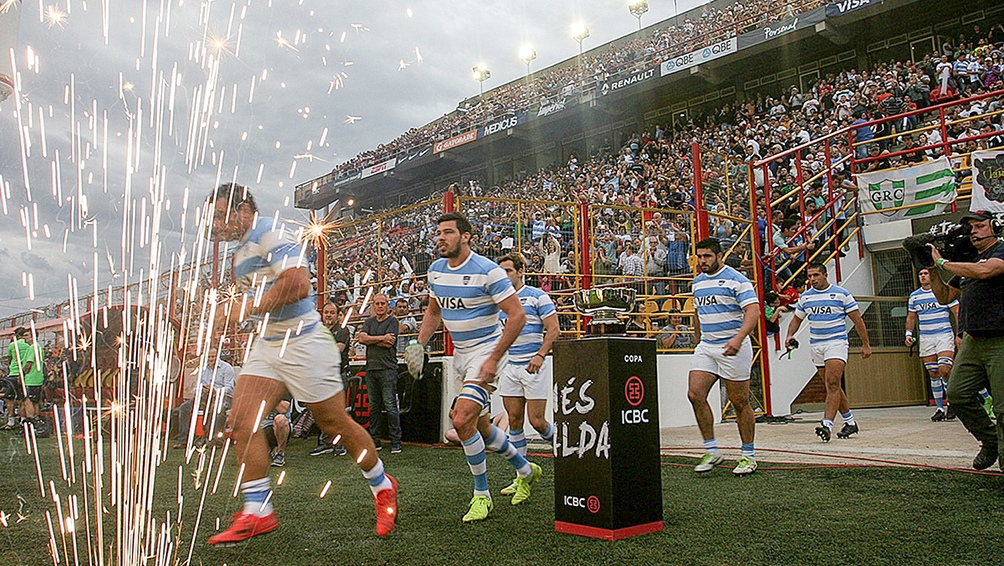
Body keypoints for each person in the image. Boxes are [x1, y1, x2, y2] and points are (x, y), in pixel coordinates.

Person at [205, 183, 396, 544]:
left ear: (243, 209)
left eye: (219, 214)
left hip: (306, 342)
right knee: (241, 420)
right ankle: (258, 509)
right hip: (270, 344)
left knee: (335, 423)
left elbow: (298, 285)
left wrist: (244, 308)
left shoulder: (271, 233)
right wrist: (231, 314)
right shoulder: (240, 252)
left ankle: (383, 485)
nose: (215, 224)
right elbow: (265, 301)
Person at [415, 212, 540, 523]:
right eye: (438, 233)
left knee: (461, 419)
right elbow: (434, 313)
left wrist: (494, 358)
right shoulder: (435, 271)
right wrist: (418, 344)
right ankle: (526, 469)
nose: (440, 238)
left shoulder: (489, 272)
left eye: (447, 232)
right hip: (461, 356)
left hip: (486, 352)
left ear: (466, 236)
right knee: (481, 428)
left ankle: (481, 495)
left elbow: (518, 316)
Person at [928, 210, 1004, 470]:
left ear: (995, 227)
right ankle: (990, 440)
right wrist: (929, 267)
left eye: (980, 226)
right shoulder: (970, 261)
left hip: (1000, 337)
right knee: (958, 395)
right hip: (973, 338)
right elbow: (945, 297)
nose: (974, 231)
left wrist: (942, 263)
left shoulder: (1000, 252)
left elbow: (986, 272)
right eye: (971, 227)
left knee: (1003, 407)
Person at [687, 238, 761, 476]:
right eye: (699, 257)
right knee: (695, 394)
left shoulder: (737, 279)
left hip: (733, 347)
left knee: (739, 401)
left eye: (707, 256)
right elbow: (698, 312)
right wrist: (698, 339)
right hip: (707, 347)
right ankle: (712, 450)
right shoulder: (698, 282)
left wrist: (738, 339)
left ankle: (748, 456)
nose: (702, 261)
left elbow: (753, 311)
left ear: (719, 256)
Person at [785, 262, 872, 442]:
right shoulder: (806, 298)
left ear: (825, 275)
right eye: (810, 277)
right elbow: (796, 319)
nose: (812, 280)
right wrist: (789, 335)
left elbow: (857, 321)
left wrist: (866, 345)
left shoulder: (842, 294)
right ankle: (850, 422)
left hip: (836, 343)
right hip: (816, 345)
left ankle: (827, 425)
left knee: (832, 383)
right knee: (833, 387)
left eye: (816, 275)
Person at [495, 253, 559, 497]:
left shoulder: (537, 296)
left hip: (534, 366)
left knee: (538, 422)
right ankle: (522, 476)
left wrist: (540, 355)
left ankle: (568, 452)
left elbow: (554, 329)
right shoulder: (500, 300)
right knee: (513, 421)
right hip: (511, 367)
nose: (504, 275)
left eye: (508, 271)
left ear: (521, 272)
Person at [906, 268, 962, 421]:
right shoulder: (915, 296)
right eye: (921, 274)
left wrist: (960, 334)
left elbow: (957, 312)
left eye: (926, 274)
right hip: (926, 337)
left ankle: (952, 403)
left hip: (943, 335)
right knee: (933, 372)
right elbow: (911, 317)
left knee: (945, 369)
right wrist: (908, 334)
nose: (923, 276)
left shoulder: (943, 291)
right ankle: (939, 408)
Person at [356, 294, 403, 454]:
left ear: (388, 305)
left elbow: (390, 342)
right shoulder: (369, 322)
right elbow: (361, 339)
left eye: (383, 303)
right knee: (374, 407)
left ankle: (396, 441)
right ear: (373, 305)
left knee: (390, 406)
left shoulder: (392, 321)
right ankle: (375, 440)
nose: (380, 306)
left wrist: (371, 339)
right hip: (371, 369)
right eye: (377, 303)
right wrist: (381, 338)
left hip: (387, 369)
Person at [175, 346, 235, 449]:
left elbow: (229, 388)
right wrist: (201, 390)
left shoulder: (227, 368)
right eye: (209, 357)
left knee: (219, 410)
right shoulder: (203, 369)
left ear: (218, 356)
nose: (211, 359)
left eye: (213, 356)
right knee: (184, 408)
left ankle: (216, 441)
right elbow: (196, 387)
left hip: (223, 396)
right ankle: (184, 440)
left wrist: (216, 391)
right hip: (205, 396)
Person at [311, 300, 349, 456]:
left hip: (338, 376)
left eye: (332, 313)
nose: (328, 315)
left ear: (337, 315)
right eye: (326, 312)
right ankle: (325, 442)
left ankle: (340, 444)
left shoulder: (342, 330)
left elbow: (336, 351)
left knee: (338, 412)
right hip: (322, 376)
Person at [261, 398, 292, 467]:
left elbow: (283, 409)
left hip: (277, 428)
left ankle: (280, 454)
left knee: (280, 419)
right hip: (259, 428)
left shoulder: (283, 389)